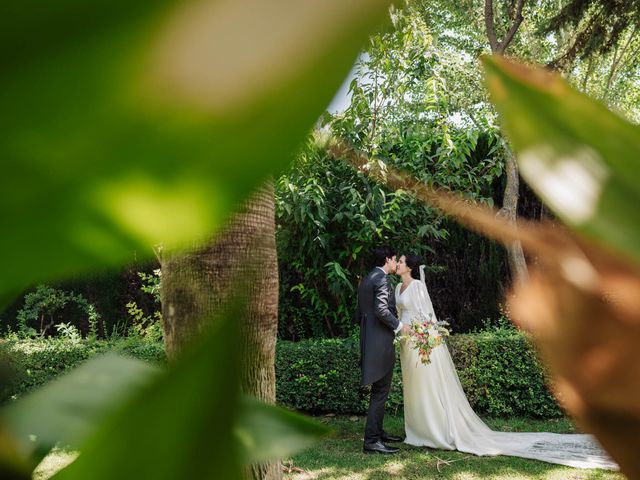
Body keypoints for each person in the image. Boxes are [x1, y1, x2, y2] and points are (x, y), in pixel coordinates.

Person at [394, 253, 617, 470]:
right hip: (406, 342)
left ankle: (434, 431)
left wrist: (422, 337)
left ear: (410, 267)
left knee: (426, 386)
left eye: (401, 261)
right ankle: (418, 430)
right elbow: (398, 312)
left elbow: (426, 317)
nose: (398, 263)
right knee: (413, 386)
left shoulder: (417, 286)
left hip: (420, 342)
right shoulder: (397, 287)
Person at [356, 246, 409, 454]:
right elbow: (380, 309)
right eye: (395, 259)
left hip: (369, 340)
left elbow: (359, 314)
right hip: (381, 343)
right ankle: (371, 441)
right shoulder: (382, 279)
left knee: (379, 391)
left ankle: (377, 432)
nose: (396, 262)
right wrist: (398, 325)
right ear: (387, 259)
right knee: (380, 392)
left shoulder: (367, 279)